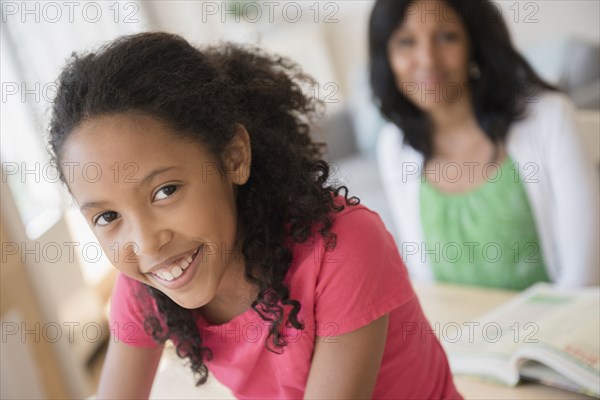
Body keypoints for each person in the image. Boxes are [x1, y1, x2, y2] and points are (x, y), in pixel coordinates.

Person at [48, 32, 462, 399]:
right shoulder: (145, 287)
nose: (147, 242)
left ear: (234, 157)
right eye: (107, 217)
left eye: (165, 191)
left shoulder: (344, 247)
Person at [370, 0, 600, 289]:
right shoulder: (393, 146)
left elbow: (585, 276)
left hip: (558, 330)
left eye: (446, 37)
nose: (427, 59)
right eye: (406, 41)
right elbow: (426, 281)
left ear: (474, 44)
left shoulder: (550, 118)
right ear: (386, 57)